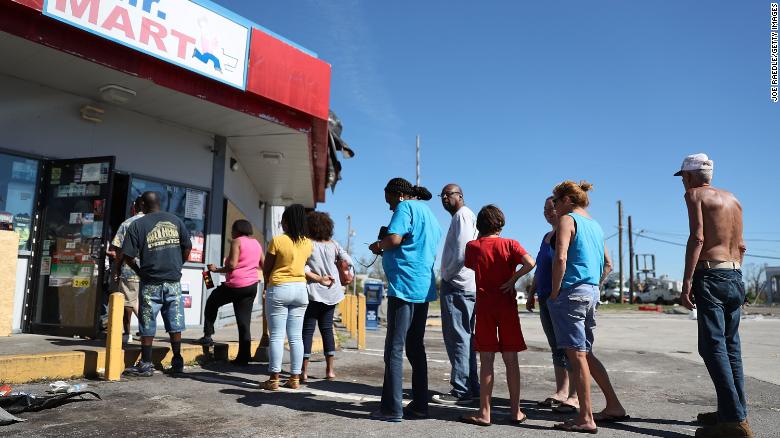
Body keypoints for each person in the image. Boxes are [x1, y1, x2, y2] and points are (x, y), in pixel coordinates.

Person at [675, 153, 753, 438]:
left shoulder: (694, 195)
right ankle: (733, 411)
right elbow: (742, 246)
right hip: (735, 274)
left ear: (690, 176)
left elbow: (698, 238)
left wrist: (686, 282)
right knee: (731, 346)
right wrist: (735, 275)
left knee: (712, 346)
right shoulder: (734, 199)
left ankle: (732, 422)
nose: (683, 183)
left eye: (683, 178)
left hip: (711, 274)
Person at [548, 181, 625, 434]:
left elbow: (560, 257)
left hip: (571, 293)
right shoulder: (595, 225)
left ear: (568, 200)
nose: (554, 205)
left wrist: (555, 290)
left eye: (556, 201)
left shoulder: (567, 220)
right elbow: (608, 264)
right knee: (586, 354)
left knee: (577, 355)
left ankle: (585, 417)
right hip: (591, 292)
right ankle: (613, 405)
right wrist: (595, 285)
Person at [368, 178, 442, 422]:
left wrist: (378, 245)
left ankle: (392, 409)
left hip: (404, 285)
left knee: (394, 348)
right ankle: (420, 405)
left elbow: (395, 240)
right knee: (415, 347)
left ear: (398, 195)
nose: (389, 206)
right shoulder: (430, 214)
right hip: (423, 286)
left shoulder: (405, 207)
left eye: (388, 199)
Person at [459, 205, 535, 427]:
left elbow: (472, 266)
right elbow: (530, 263)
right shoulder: (510, 244)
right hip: (507, 306)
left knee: (487, 360)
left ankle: (485, 413)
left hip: (485, 306)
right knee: (511, 360)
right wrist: (513, 280)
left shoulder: (473, 246)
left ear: (479, 225)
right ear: (500, 224)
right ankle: (516, 412)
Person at [121, 191, 192, 377]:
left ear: (143, 204)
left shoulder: (137, 225)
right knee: (175, 321)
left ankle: (146, 363)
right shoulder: (176, 221)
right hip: (173, 282)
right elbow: (188, 247)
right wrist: (177, 265)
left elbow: (127, 256)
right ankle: (177, 361)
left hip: (150, 281)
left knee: (147, 321)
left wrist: (139, 272)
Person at [526, 196, 579, 413]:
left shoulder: (567, 233)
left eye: (551, 208)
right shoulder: (546, 237)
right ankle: (561, 391)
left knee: (570, 348)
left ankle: (575, 395)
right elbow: (540, 269)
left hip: (562, 298)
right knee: (556, 347)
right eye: (545, 209)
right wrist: (531, 293)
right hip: (545, 298)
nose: (548, 212)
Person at [433, 183, 480, 406]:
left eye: (448, 194)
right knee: (466, 339)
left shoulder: (462, 215)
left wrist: (447, 275)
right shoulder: (465, 216)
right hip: (466, 285)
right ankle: (472, 387)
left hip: (458, 285)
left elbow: (463, 251)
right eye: (441, 195)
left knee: (458, 339)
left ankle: (461, 389)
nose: (443, 198)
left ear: (460, 196)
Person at [195, 220, 263, 366]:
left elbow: (232, 265)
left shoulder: (236, 241)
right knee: (244, 323)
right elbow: (263, 264)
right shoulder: (256, 243)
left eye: (232, 230)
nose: (231, 233)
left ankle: (207, 335)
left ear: (237, 230)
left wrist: (216, 270)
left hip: (235, 285)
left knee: (212, 301)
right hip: (251, 286)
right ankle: (244, 357)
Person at [260, 204, 313, 391]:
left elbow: (267, 268)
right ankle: (294, 378)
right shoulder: (308, 243)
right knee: (296, 337)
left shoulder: (278, 240)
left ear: (287, 221)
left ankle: (274, 379)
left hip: (279, 288)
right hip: (300, 290)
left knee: (276, 335)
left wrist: (267, 285)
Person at [300, 211, 352, 382]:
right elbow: (348, 261)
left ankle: (304, 371)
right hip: (332, 292)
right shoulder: (334, 245)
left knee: (307, 331)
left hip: (313, 292)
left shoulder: (307, 244)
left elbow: (302, 267)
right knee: (327, 329)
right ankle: (330, 370)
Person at [110, 196, 144, 343]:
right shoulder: (156, 224)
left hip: (131, 268)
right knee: (143, 301)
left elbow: (119, 251)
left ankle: (127, 333)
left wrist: (117, 269)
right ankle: (146, 330)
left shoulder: (127, 224)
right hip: (151, 269)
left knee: (128, 302)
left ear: (134, 207)